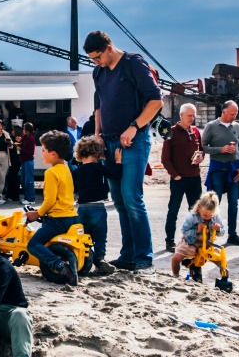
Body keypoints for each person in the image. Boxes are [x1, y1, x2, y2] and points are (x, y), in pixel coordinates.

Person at [87, 30, 162, 270]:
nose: (95, 62)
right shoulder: (98, 72)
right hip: (108, 143)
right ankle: (128, 255)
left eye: (97, 57)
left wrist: (133, 127)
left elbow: (156, 101)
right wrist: (97, 135)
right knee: (119, 200)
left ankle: (143, 257)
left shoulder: (134, 64)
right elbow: (98, 106)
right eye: (92, 59)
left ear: (109, 48)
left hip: (135, 140)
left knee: (132, 197)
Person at [24, 131, 80, 286]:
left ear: (53, 154)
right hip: (71, 215)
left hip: (58, 219)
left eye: (43, 150)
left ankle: (60, 266)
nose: (41, 153)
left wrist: (37, 213)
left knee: (34, 244)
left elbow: (49, 200)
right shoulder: (66, 168)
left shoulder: (51, 172)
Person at [201, 102, 239, 246]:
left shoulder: (237, 127)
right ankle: (209, 235)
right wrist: (221, 150)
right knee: (213, 203)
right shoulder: (211, 126)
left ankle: (232, 234)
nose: (234, 116)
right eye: (232, 114)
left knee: (234, 204)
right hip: (218, 170)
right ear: (223, 112)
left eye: (236, 114)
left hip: (234, 170)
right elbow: (203, 147)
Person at [161, 103, 205, 253]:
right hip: (179, 179)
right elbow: (165, 159)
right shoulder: (171, 132)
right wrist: (176, 175)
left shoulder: (196, 132)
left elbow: (202, 151)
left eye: (193, 115)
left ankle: (194, 239)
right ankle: (169, 241)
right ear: (181, 116)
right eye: (189, 116)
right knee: (173, 210)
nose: (192, 118)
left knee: (196, 212)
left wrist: (200, 158)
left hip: (194, 178)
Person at [71, 135, 115, 276]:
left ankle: (85, 258)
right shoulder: (98, 167)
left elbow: (73, 189)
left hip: (82, 208)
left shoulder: (76, 171)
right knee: (100, 237)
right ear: (97, 153)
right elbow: (115, 174)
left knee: (84, 237)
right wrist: (118, 162)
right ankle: (100, 259)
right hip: (98, 208)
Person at [170, 192, 225, 277]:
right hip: (191, 243)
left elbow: (222, 233)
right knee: (175, 259)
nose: (207, 217)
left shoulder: (216, 217)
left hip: (207, 244)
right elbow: (184, 231)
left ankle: (225, 277)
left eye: (210, 215)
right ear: (199, 208)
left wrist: (218, 229)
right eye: (204, 215)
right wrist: (196, 230)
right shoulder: (192, 217)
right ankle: (175, 275)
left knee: (220, 259)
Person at [15, 120, 39, 201]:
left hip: (28, 161)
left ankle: (31, 199)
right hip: (24, 161)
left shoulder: (31, 139)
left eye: (24, 129)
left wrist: (20, 149)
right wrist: (20, 142)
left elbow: (31, 152)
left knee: (29, 181)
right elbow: (23, 144)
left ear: (27, 130)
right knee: (24, 181)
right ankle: (26, 197)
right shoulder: (25, 137)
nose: (23, 130)